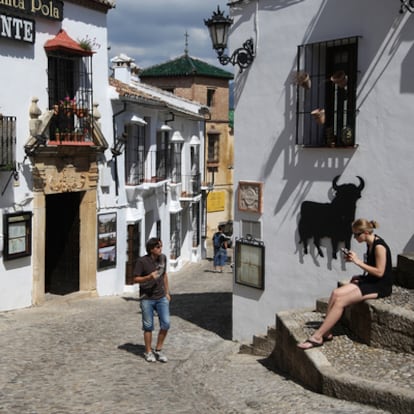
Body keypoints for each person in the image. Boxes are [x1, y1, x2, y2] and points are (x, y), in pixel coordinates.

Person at [298, 219, 392, 349]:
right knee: (336, 293)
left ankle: (317, 336)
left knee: (341, 301)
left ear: (365, 232)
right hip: (370, 280)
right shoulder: (370, 243)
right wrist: (359, 275)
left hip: (380, 285)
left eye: (357, 234)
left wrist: (357, 261)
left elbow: (380, 272)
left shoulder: (379, 247)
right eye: (354, 234)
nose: (354, 237)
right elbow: (372, 268)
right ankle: (327, 331)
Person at [134, 237, 171, 362]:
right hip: (146, 298)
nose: (161, 249)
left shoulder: (163, 258)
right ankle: (148, 351)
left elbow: (164, 275)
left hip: (161, 297)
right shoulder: (142, 261)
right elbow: (136, 279)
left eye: (161, 246)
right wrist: (149, 277)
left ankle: (158, 350)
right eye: (158, 247)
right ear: (151, 249)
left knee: (166, 323)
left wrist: (167, 292)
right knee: (148, 326)